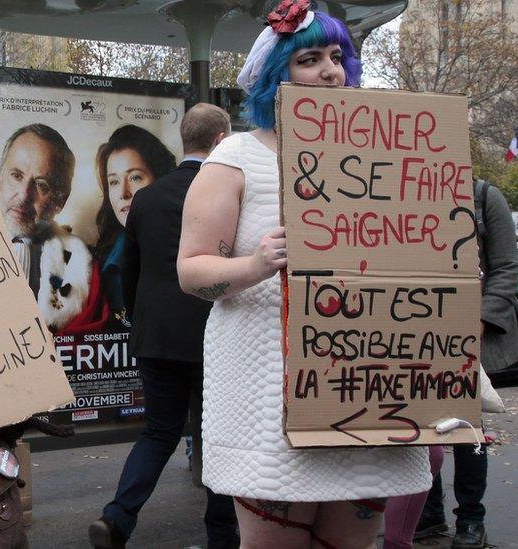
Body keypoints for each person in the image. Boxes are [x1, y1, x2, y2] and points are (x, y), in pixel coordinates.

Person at [176, 2, 431, 547]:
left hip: (367, 389)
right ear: (276, 76)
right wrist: (255, 265)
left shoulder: (381, 155)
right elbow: (192, 272)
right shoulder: (236, 159)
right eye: (309, 59)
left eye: (336, 57)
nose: (330, 71)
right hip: (270, 402)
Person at [88, 104, 237, 549]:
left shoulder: (146, 198)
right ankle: (222, 538)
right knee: (220, 437)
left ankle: (117, 519)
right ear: (220, 141)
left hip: (155, 338)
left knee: (158, 432)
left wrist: (141, 319)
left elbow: (126, 270)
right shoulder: (229, 193)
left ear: (184, 141)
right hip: (215, 337)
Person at [414, 179, 518, 548]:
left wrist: (481, 318)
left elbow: (505, 267)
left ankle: (470, 520)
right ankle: (428, 512)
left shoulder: (483, 196)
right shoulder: (408, 191)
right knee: (419, 429)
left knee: (467, 430)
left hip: (469, 335)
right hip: (417, 329)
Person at [93, 125, 176, 327]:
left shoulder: (188, 248)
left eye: (135, 177)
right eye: (113, 182)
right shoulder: (95, 267)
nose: (123, 192)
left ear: (160, 180)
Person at [0, 124, 75, 291]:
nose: (24, 195)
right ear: (0, 179)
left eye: (41, 185)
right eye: (16, 176)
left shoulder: (80, 264)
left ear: (60, 200)